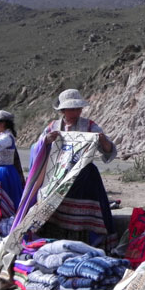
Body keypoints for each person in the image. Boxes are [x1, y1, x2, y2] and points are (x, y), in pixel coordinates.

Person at [25, 89, 118, 250]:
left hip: (84, 178)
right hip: (58, 176)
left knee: (86, 212)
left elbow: (108, 150)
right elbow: (37, 147)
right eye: (72, 109)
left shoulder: (90, 126)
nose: (76, 112)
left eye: (78, 108)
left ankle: (87, 243)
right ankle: (54, 242)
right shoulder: (53, 127)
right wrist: (46, 141)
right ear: (62, 110)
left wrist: (103, 141)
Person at [0, 110, 24, 224]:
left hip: (5, 172)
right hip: (2, 170)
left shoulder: (7, 138)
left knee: (7, 196)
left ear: (3, 123)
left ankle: (9, 220)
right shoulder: (3, 136)